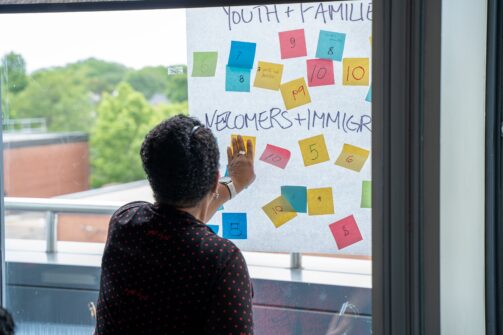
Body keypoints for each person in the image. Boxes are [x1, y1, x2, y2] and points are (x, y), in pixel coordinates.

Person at [94, 115, 256, 334]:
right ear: (216, 179)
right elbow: (185, 224)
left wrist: (234, 184)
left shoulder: (125, 222)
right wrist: (232, 184)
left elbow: (178, 222)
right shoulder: (221, 260)